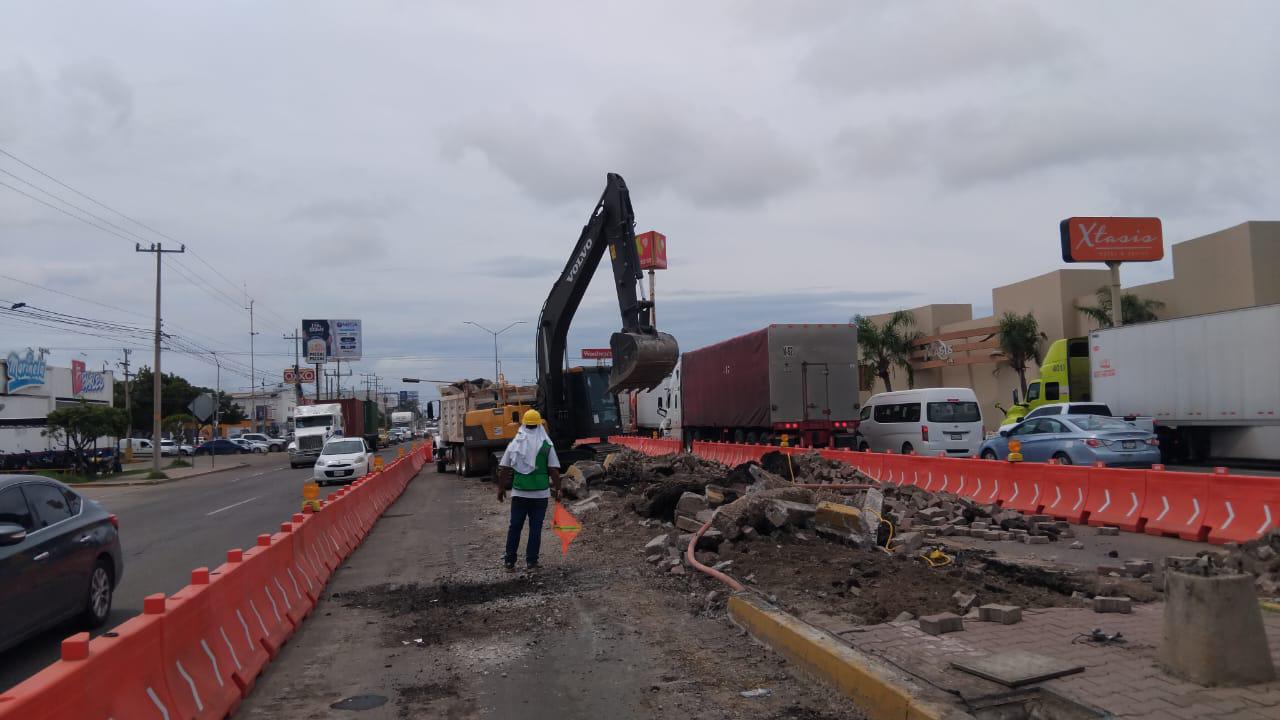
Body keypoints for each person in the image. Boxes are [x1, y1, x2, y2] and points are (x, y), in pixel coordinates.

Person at [496, 409, 561, 572]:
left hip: (520, 492)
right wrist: (558, 489)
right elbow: (553, 469)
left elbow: (504, 468)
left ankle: (509, 561)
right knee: (535, 528)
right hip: (540, 494)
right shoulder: (547, 445)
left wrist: (501, 488)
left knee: (515, 526)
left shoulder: (515, 443)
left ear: (523, 424)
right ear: (539, 425)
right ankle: (531, 562)